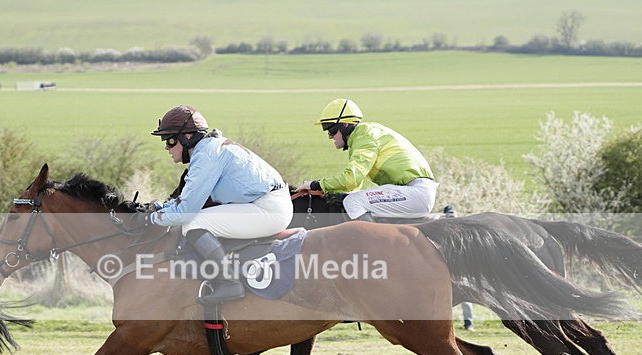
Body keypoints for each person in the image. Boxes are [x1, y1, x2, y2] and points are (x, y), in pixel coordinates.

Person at [149, 105, 292, 305]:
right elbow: (187, 199)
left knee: (193, 223)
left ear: (187, 137)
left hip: (268, 209)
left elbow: (185, 213)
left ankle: (229, 283)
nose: (166, 147)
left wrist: (151, 218)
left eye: (169, 140)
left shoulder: (206, 155)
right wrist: (160, 208)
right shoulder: (208, 149)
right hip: (265, 204)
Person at [295, 98, 437, 221]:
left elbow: (351, 180)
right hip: (409, 191)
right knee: (354, 198)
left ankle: (370, 242)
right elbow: (354, 186)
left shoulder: (364, 135)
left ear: (345, 125)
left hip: (415, 192)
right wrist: (328, 192)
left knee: (353, 202)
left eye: (331, 130)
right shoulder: (360, 138)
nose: (329, 136)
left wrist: (316, 185)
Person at [444, 204, 475, 331]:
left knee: (466, 297)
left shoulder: (463, 231)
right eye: (449, 215)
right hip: (446, 269)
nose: (452, 217)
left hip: (461, 269)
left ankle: (468, 323)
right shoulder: (441, 230)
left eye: (453, 214)